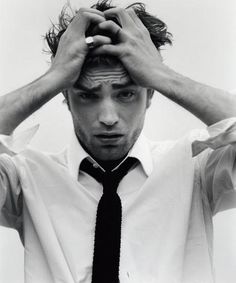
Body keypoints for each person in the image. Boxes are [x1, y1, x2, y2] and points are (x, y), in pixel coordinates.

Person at [0, 1, 236, 282]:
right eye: (88, 95)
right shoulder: (22, 180)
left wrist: (162, 75)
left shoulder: (197, 168)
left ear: (150, 94)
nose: (108, 117)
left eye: (126, 94)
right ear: (65, 97)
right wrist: (52, 78)